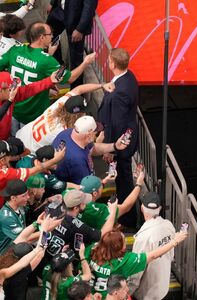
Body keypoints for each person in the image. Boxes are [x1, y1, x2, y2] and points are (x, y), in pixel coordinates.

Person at [0, 22, 94, 135]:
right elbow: (71, 78)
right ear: (42, 37)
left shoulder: (15, 50)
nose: (52, 36)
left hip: (12, 108)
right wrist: (86, 62)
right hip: (33, 113)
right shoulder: (47, 61)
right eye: (50, 34)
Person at [96, 48, 139, 228]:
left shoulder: (120, 92)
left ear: (113, 63)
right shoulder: (128, 78)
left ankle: (127, 219)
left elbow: (118, 123)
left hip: (120, 142)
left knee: (124, 180)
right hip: (122, 136)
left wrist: (111, 148)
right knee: (122, 178)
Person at [84, 228, 187, 298]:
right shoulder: (124, 261)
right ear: (117, 247)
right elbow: (153, 255)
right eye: (123, 241)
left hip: (89, 295)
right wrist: (175, 241)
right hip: (111, 296)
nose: (126, 242)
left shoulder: (92, 249)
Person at [16, 83, 109, 151]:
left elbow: (78, 89)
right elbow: (80, 150)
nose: (84, 115)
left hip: (22, 134)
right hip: (27, 150)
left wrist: (102, 85)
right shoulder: (65, 132)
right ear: (76, 115)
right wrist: (97, 142)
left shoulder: (60, 104)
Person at [45, 190, 117, 264]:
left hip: (43, 251)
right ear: (76, 208)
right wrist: (113, 209)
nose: (85, 203)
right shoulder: (77, 226)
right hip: (56, 263)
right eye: (83, 203)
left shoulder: (52, 207)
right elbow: (103, 234)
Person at [51, 116, 129, 185]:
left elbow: (93, 148)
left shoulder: (68, 133)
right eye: (95, 132)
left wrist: (115, 146)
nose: (96, 134)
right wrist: (106, 180)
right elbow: (86, 188)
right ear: (88, 135)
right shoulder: (77, 160)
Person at [128, 192, 177, 300]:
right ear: (159, 208)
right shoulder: (169, 226)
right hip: (163, 288)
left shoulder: (142, 237)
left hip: (146, 293)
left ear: (141, 208)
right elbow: (171, 255)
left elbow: (137, 269)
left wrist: (128, 291)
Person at [45, 0, 97, 86]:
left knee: (75, 58)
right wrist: (52, 3)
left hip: (75, 20)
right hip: (58, 11)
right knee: (47, 38)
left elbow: (89, 7)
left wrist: (80, 29)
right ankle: (57, 66)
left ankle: (75, 91)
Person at [0, 139, 64, 206]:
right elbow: (35, 170)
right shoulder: (5, 174)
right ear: (2, 160)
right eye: (9, 157)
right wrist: (55, 160)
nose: (10, 159)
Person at [0, 68, 59, 140]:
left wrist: (50, 80)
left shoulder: (11, 94)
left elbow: (30, 89)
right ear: (1, 90)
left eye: (14, 86)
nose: (14, 90)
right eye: (11, 88)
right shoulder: (10, 97)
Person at [77, 170, 145, 230]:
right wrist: (139, 184)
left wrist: (104, 181)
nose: (102, 186)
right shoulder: (98, 210)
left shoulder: (74, 199)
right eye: (100, 186)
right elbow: (126, 207)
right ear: (95, 193)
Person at [0, 180, 29, 253]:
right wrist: (45, 231)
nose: (28, 197)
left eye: (27, 194)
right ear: (13, 198)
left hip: (14, 250)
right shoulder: (6, 218)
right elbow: (23, 238)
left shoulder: (20, 207)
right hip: (3, 257)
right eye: (24, 195)